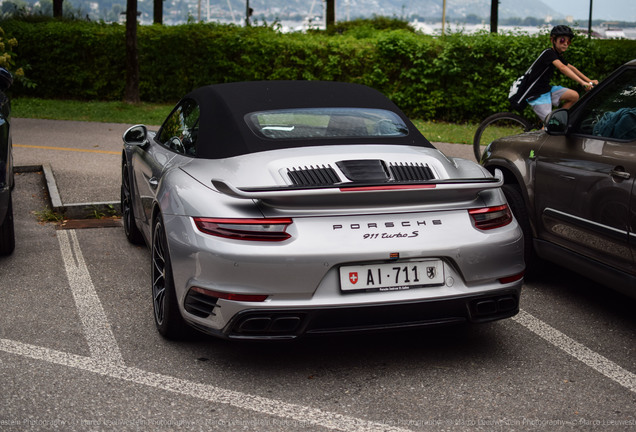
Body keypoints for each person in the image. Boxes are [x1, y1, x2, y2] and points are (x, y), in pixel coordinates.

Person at [524, 25, 599, 123]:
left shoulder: (557, 55)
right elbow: (562, 68)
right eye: (562, 40)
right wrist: (582, 83)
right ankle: (549, 126)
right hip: (536, 94)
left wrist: (588, 80)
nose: (566, 44)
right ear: (553, 40)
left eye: (568, 41)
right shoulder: (548, 53)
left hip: (546, 89)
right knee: (551, 125)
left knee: (574, 96)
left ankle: (555, 120)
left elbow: (570, 67)